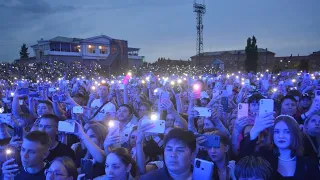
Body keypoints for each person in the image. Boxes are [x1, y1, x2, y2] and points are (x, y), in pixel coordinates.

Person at [240, 114, 320, 179]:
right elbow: (243, 159)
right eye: (277, 132)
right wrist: (255, 130)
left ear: (295, 135)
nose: (281, 136)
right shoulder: (263, 158)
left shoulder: (308, 163)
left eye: (287, 132)